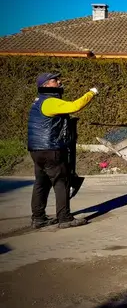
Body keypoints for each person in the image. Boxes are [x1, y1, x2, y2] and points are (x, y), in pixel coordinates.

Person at [27, 72, 97, 229]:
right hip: (51, 149)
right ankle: (64, 218)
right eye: (54, 80)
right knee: (61, 182)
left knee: (41, 183)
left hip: (36, 149)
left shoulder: (38, 102)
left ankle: (38, 218)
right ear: (45, 85)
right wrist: (91, 93)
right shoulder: (50, 101)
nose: (59, 81)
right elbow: (75, 106)